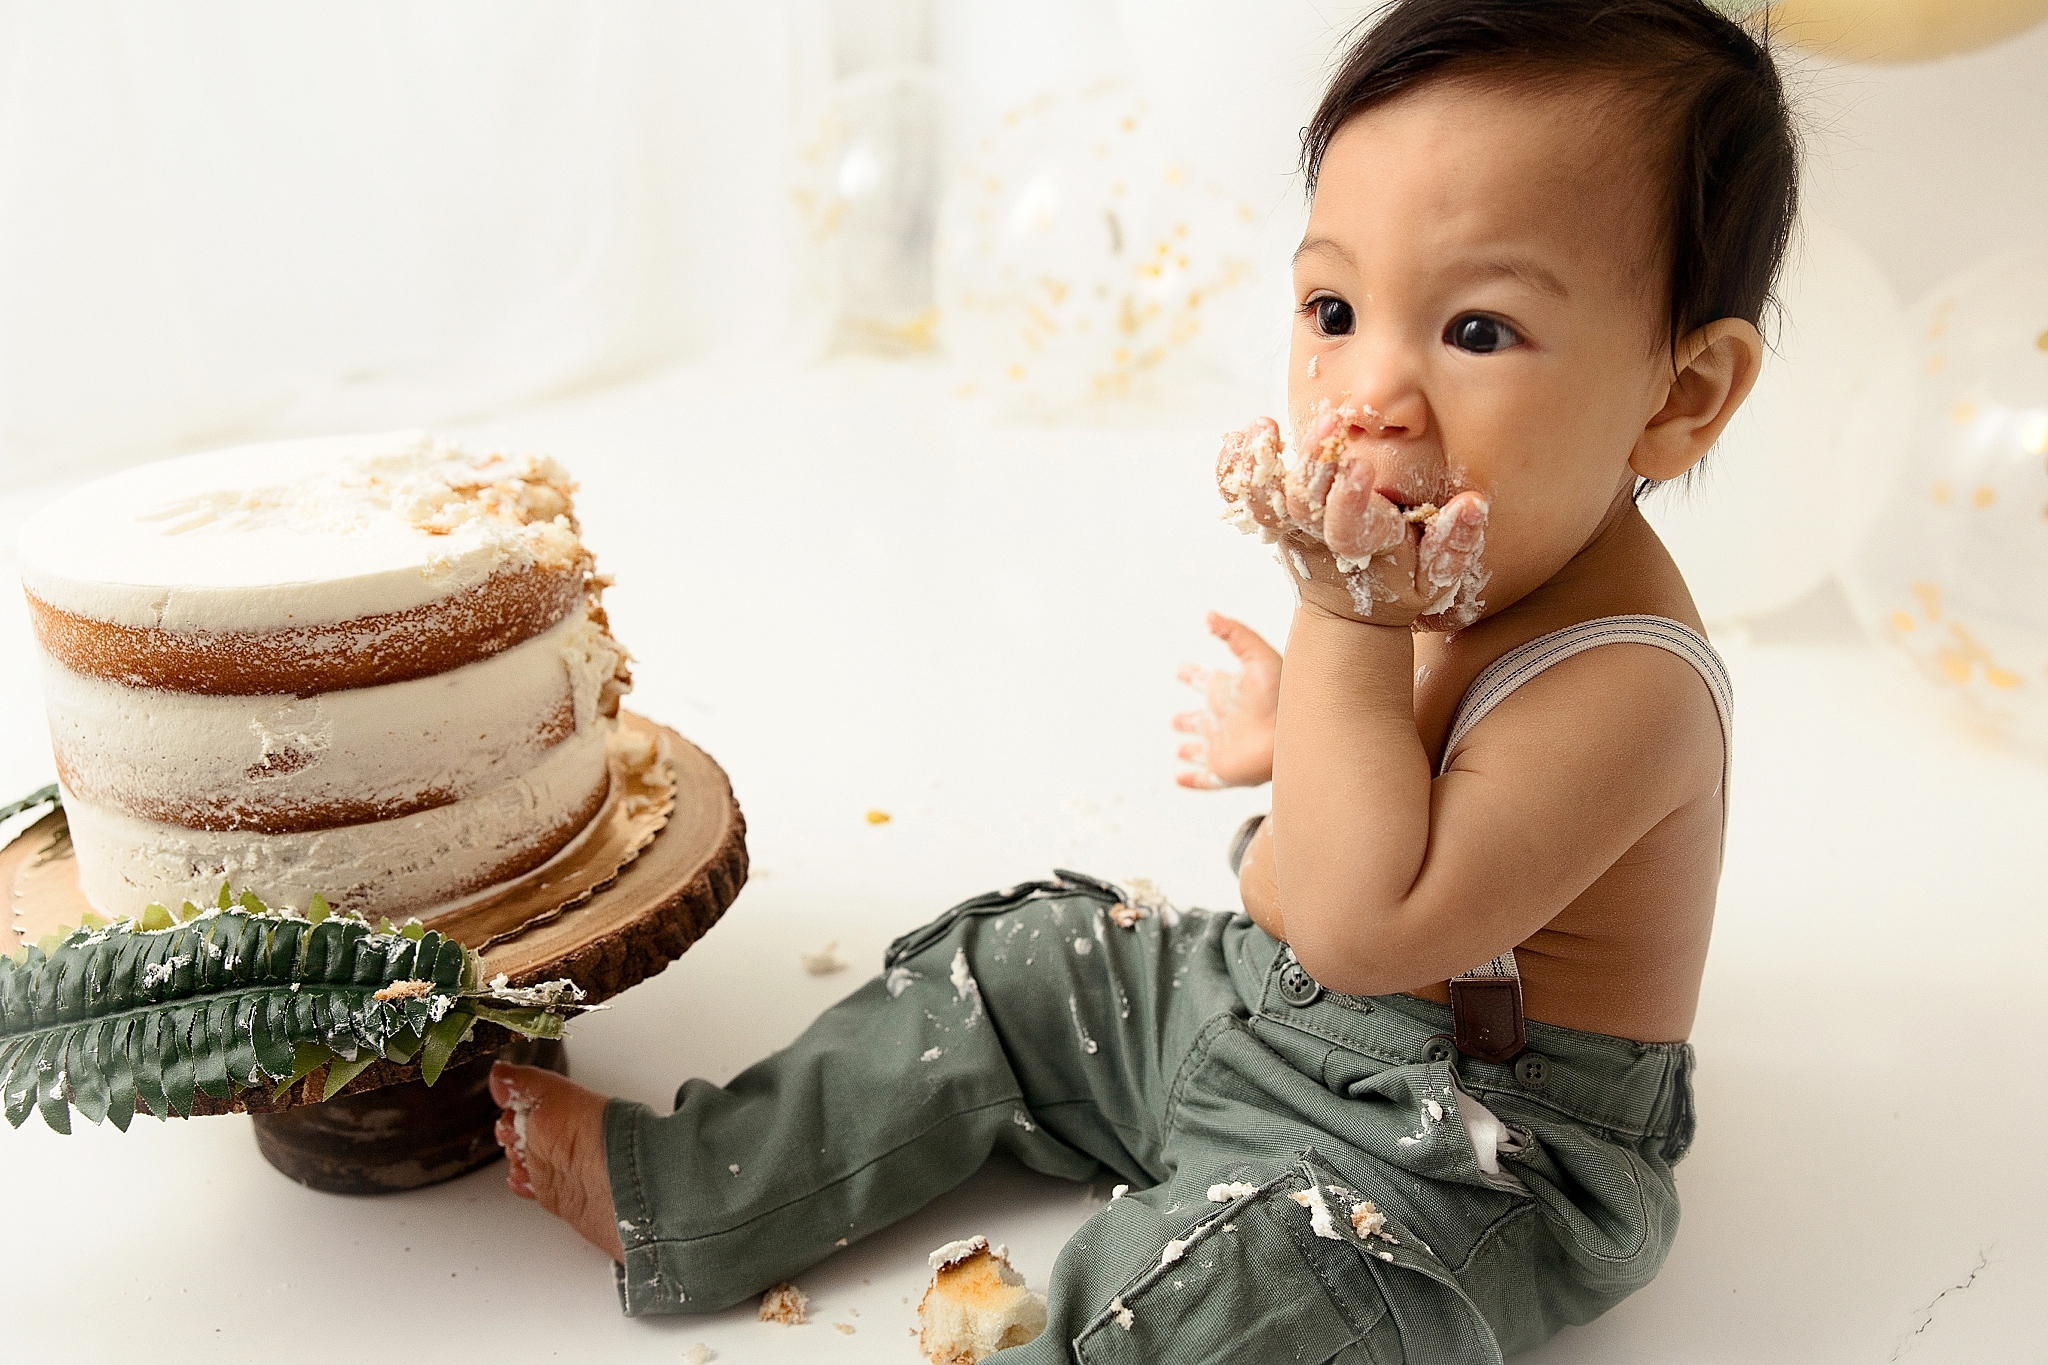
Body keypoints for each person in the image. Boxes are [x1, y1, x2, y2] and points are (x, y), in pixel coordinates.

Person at [487, 1, 1797, 1357]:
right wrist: (1301, 717)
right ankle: (693, 1187)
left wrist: (1338, 632)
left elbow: (1351, 914)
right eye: (1335, 310)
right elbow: (1367, 815)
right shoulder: (1469, 546)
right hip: (1266, 996)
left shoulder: (1632, 691)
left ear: (1681, 393)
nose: (1369, 394)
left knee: (1230, 1289)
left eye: (1476, 331)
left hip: (1460, 1149)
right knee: (1027, 962)